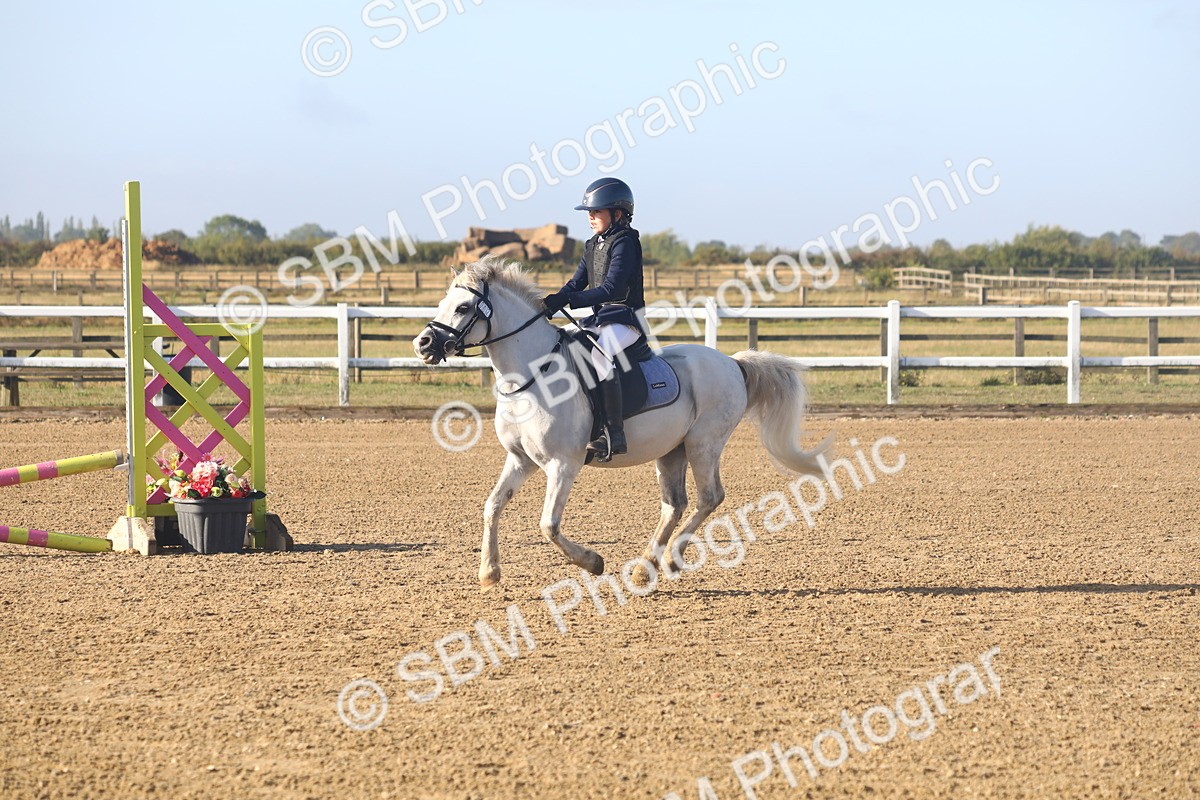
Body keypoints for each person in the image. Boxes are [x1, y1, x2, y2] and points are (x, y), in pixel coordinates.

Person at [541, 177, 644, 461]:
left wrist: (569, 300)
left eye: (596, 211)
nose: (591, 217)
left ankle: (613, 432)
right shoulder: (592, 244)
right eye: (589, 212)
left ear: (618, 214)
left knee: (600, 355)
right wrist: (552, 302)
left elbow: (612, 289)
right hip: (600, 319)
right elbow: (576, 284)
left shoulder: (625, 243)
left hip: (625, 320)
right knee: (560, 345)